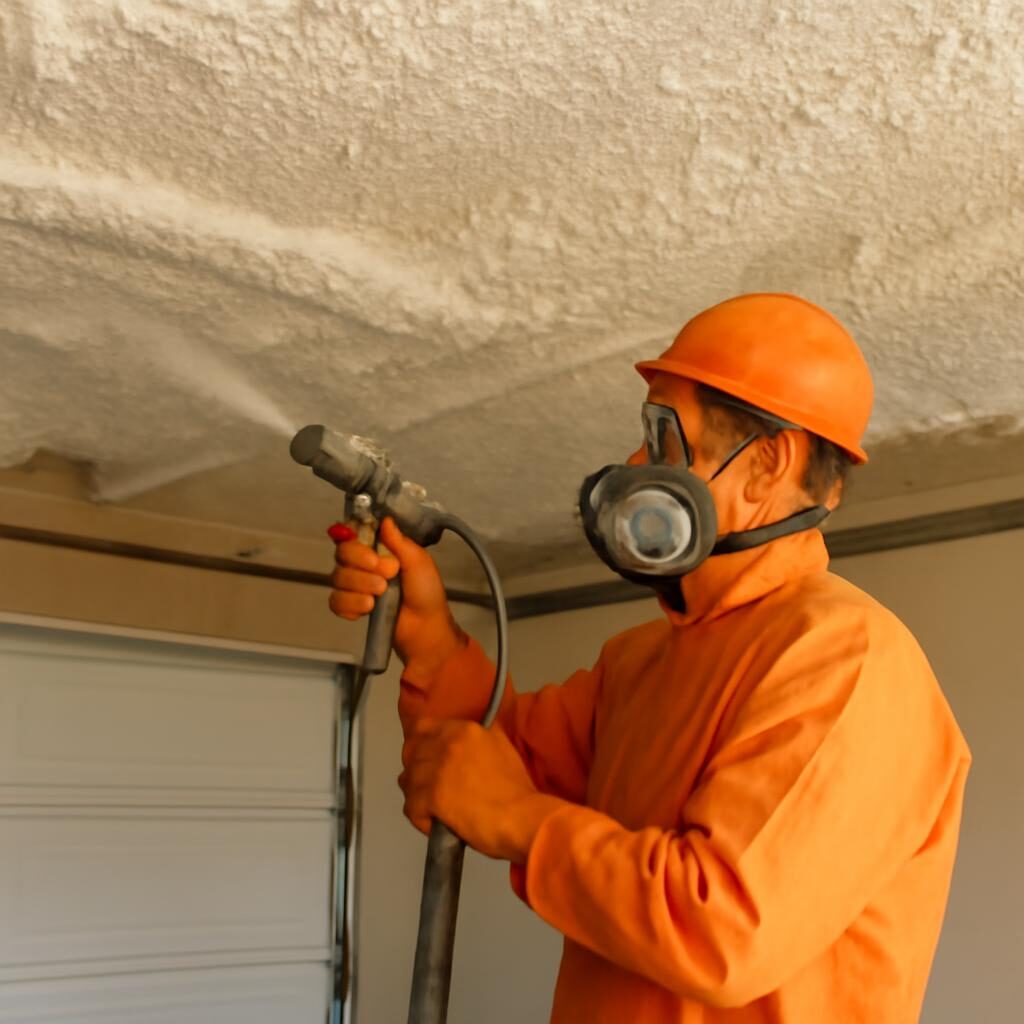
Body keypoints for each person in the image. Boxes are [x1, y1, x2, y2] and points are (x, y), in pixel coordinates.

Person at [329, 293, 970, 1022]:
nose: (636, 463)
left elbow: (722, 929)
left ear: (768, 464)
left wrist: (515, 817)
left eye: (663, 436)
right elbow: (491, 766)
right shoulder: (641, 661)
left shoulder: (847, 659)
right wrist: (429, 635)